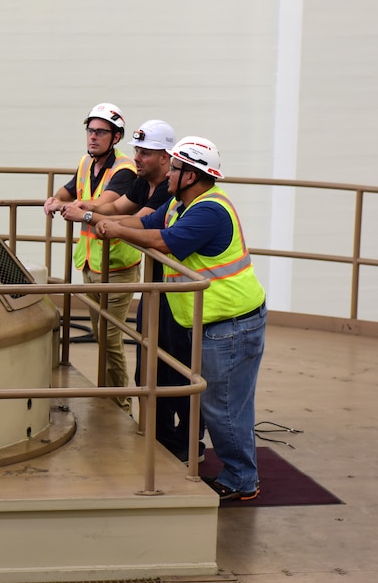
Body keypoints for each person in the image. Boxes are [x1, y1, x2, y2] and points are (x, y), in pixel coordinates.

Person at [96, 136, 266, 500]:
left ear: (190, 176)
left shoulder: (208, 211)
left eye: (174, 168)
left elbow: (164, 242)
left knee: (222, 406)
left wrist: (118, 231)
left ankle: (241, 479)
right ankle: (240, 471)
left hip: (231, 324)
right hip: (216, 323)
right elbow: (146, 224)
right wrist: (100, 220)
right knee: (223, 403)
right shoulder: (180, 204)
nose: (168, 173)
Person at [60, 120, 200, 462]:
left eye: (146, 153)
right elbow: (119, 210)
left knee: (176, 366)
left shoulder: (170, 193)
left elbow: (148, 227)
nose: (137, 158)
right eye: (137, 151)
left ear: (168, 159)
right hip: (164, 291)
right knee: (151, 363)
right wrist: (91, 213)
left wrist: (93, 219)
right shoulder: (142, 183)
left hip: (184, 297)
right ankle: (161, 436)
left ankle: (186, 445)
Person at [43, 103, 139, 413]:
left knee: (110, 338)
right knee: (101, 335)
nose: (93, 136)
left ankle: (121, 403)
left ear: (116, 137)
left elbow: (107, 203)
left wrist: (78, 208)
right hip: (91, 264)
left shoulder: (125, 169)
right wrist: (56, 199)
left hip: (117, 267)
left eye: (101, 132)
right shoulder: (87, 162)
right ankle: (109, 396)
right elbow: (70, 189)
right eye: (90, 130)